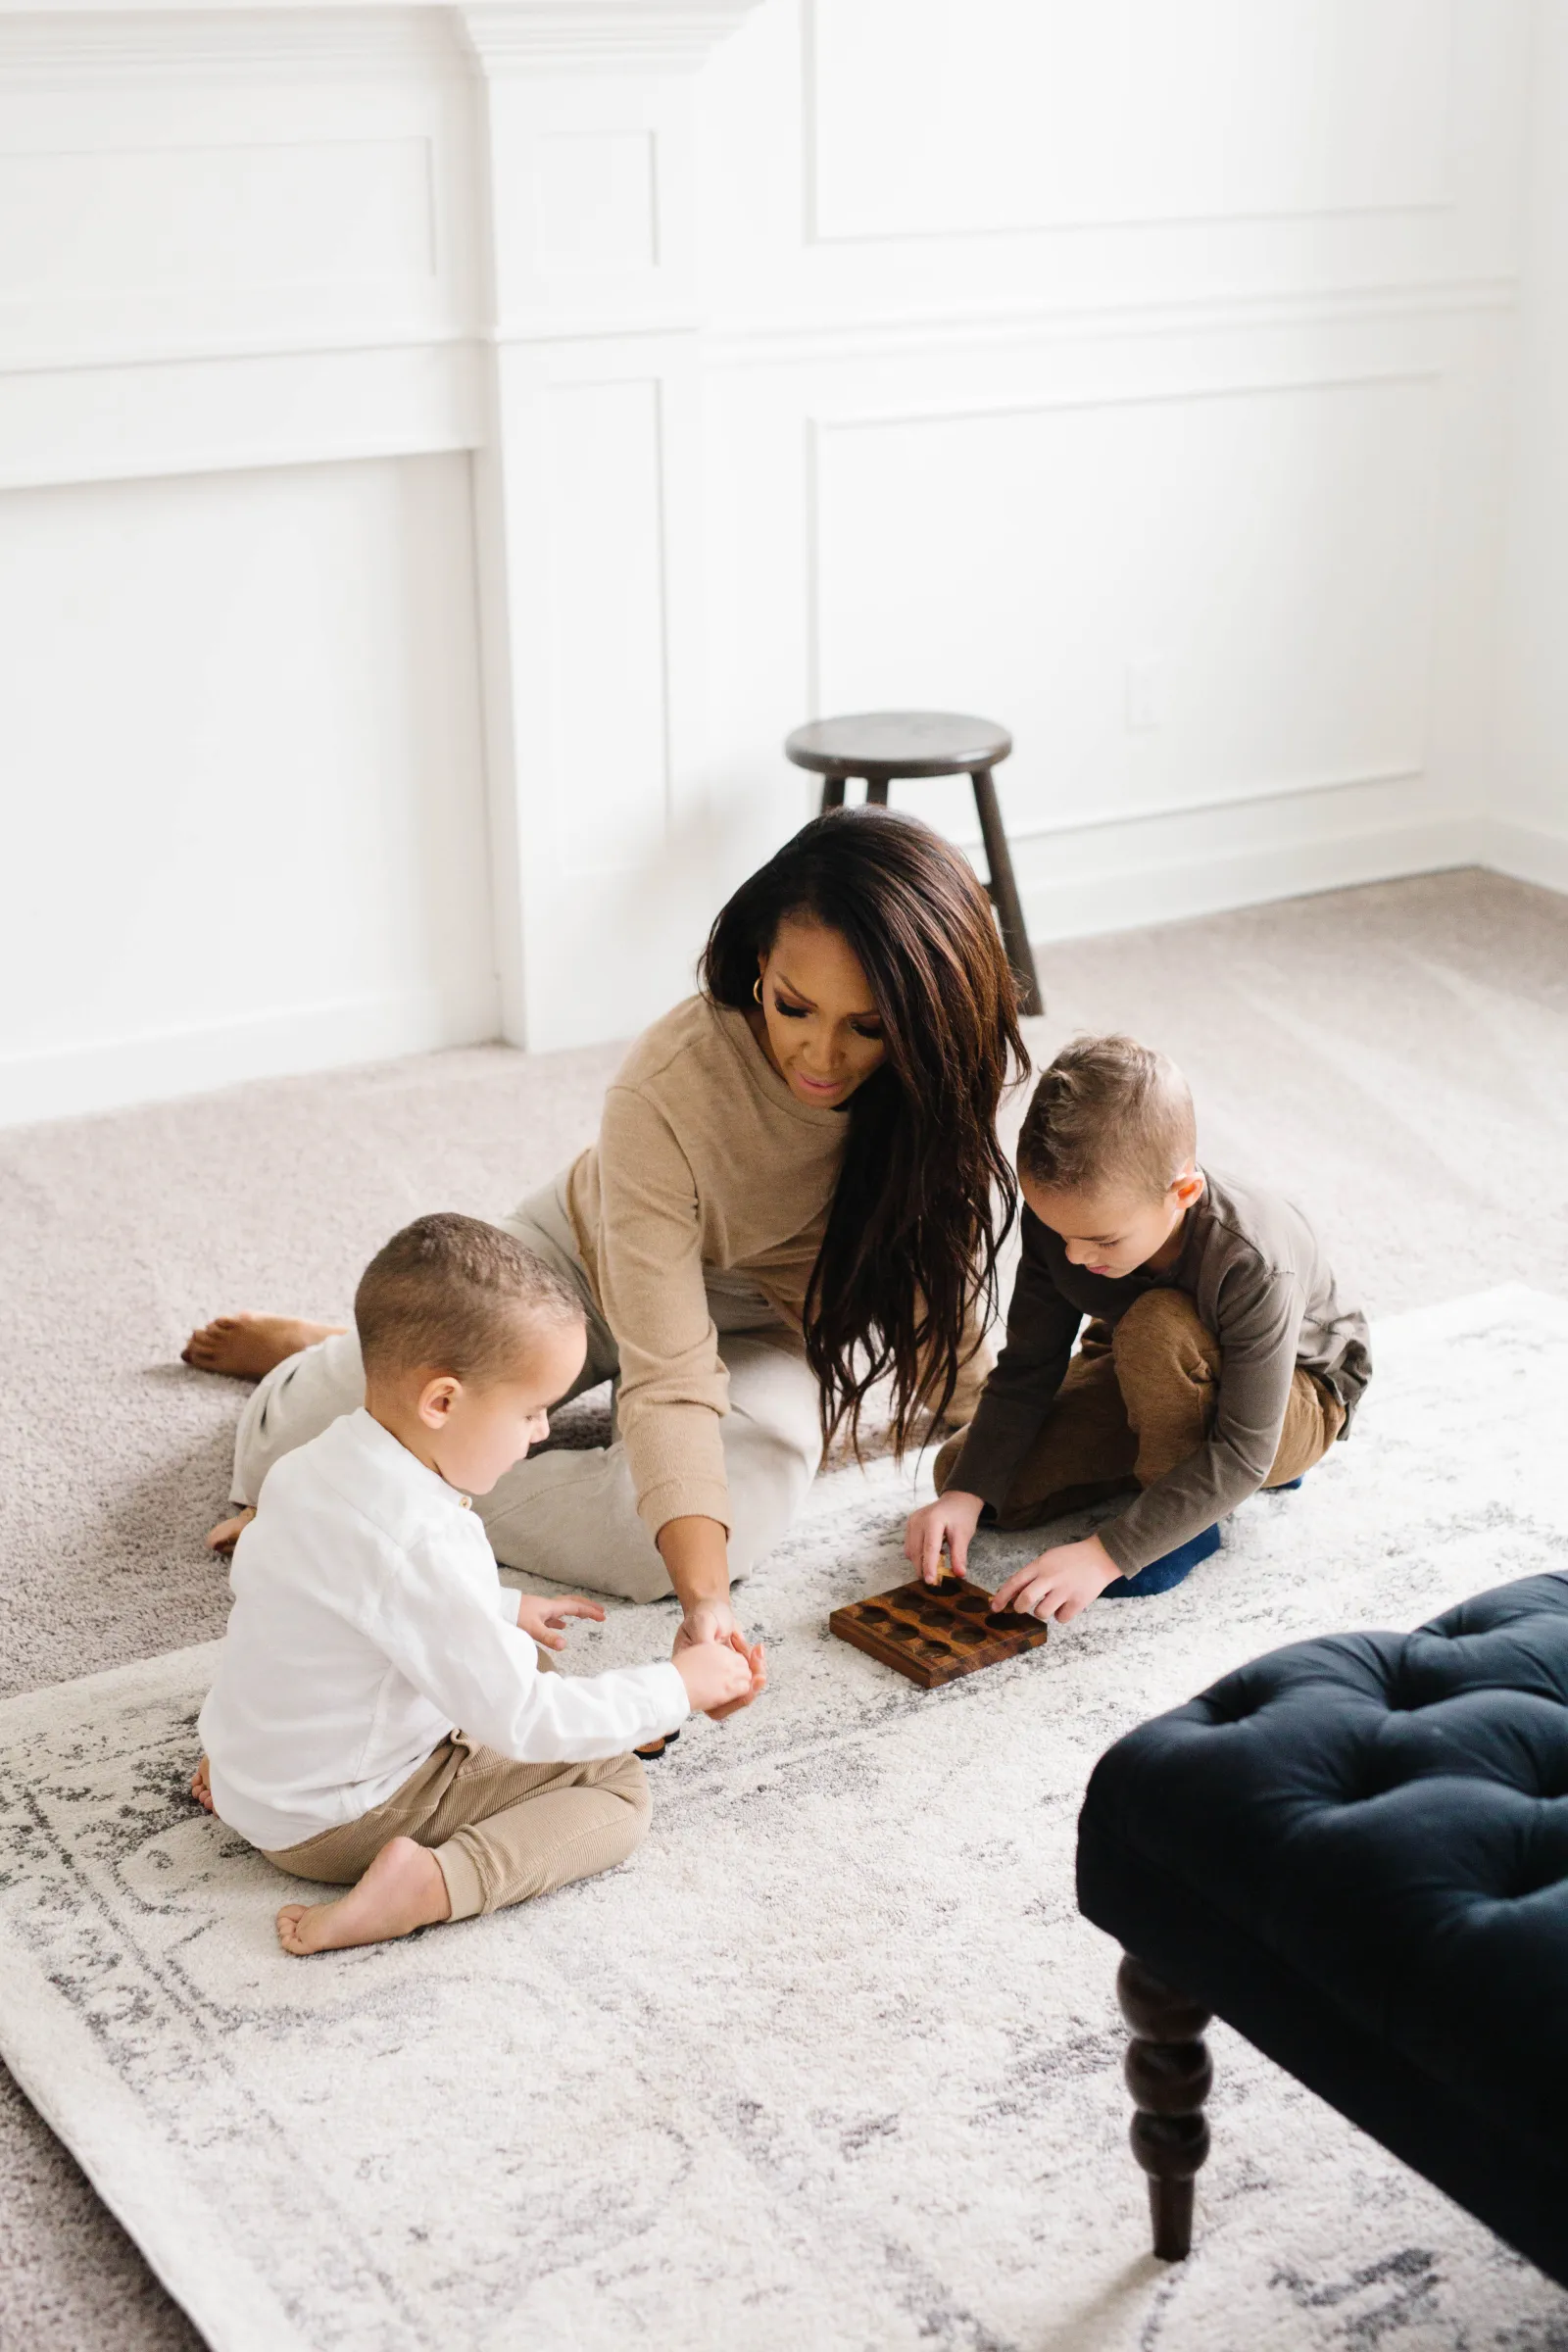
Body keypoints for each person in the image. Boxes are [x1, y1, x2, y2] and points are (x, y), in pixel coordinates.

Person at [182, 807, 1029, 1673]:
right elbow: (667, 1376)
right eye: (794, 1006)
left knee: (658, 1540)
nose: (821, 1053)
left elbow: (935, 1262)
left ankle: (401, 1446)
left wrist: (991, 1422)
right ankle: (344, 1367)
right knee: (288, 1443)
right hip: (584, 1262)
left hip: (760, 1325)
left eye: (868, 1026)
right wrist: (710, 1608)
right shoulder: (669, 1084)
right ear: (759, 966)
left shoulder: (930, 1080)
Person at [192, 1212, 759, 1957]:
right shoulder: (426, 1540)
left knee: (522, 1652)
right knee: (617, 1793)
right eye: (530, 1411)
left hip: (260, 1776)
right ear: (443, 1402)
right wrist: (676, 1688)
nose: (542, 1433)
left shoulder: (312, 1464)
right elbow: (517, 1719)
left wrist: (500, 1606)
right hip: (333, 1823)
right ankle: (432, 1884)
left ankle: (249, 1770)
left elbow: (328, 1598)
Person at [904, 1034, 1371, 1622]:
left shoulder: (1251, 1258)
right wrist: (964, 1495)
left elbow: (1246, 1449)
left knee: (1157, 1329)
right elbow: (1029, 1366)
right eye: (1059, 1232)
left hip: (1291, 1400)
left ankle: (1186, 1523)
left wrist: (1108, 1553)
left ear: (1183, 1193)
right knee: (973, 1476)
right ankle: (1172, 1466)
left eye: (1101, 1241)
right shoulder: (1068, 1221)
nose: (1073, 1256)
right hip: (1146, 1365)